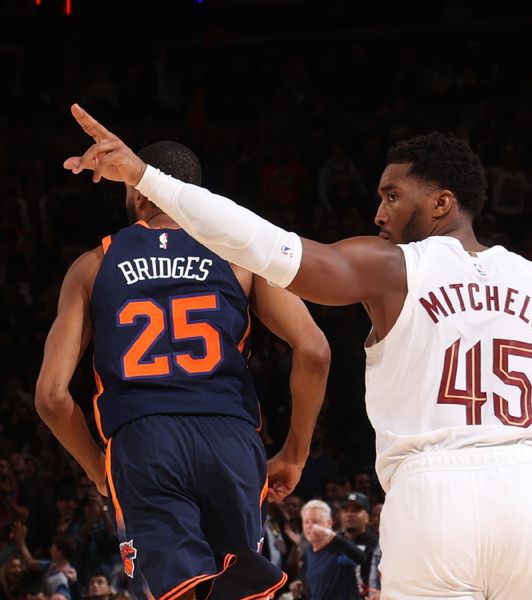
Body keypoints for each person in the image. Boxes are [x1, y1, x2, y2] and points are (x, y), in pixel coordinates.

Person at [66, 105, 532, 599]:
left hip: (432, 495)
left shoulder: (393, 268)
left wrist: (147, 180)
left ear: (441, 202)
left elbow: (265, 245)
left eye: (392, 195)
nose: (378, 211)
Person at [41, 139, 330, 600]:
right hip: (230, 435)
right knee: (240, 590)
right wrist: (295, 454)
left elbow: (52, 397)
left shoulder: (93, 266)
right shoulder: (239, 256)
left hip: (144, 439)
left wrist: (99, 470)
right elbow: (314, 350)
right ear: (192, 193)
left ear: (136, 192)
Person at [300, 499, 366, 600]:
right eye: (306, 522)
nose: (310, 526)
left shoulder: (338, 548)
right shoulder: (308, 551)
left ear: (329, 523)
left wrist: (332, 536)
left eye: (315, 521)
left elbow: (360, 558)